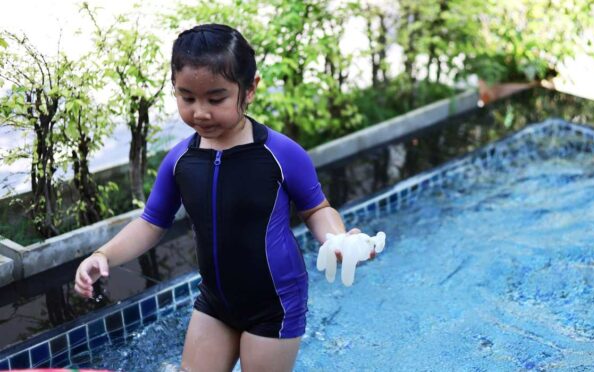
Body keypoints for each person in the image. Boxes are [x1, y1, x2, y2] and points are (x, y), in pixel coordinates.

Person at [74, 23, 375, 372]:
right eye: (187, 98)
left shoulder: (280, 154)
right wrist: (103, 254)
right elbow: (152, 223)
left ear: (249, 90)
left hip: (274, 302)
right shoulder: (180, 161)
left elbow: (316, 209)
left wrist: (336, 238)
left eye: (216, 99)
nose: (200, 112)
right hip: (215, 302)